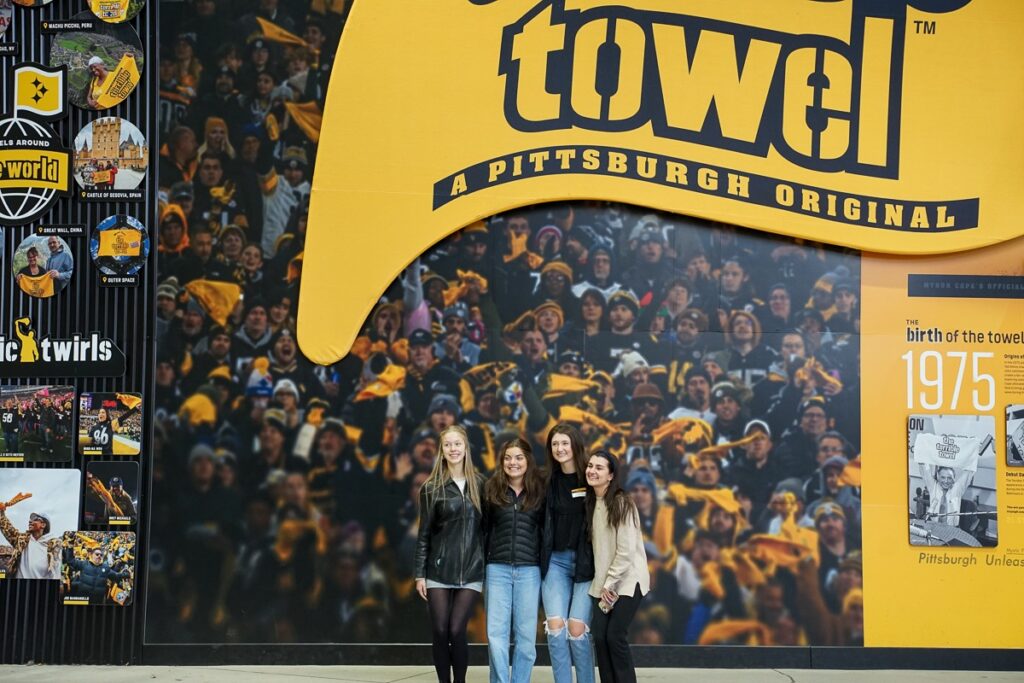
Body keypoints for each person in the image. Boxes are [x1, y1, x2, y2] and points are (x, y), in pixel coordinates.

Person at [414, 425, 485, 683]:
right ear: (442, 451)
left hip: (472, 569)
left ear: (466, 448)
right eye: (448, 445)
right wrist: (419, 574)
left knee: (457, 630)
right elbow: (424, 534)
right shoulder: (431, 488)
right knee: (440, 630)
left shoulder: (480, 484)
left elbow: (486, 530)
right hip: (438, 570)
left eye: (458, 444)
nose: (453, 449)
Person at [483, 437, 545, 683]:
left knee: (526, 638)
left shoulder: (539, 490)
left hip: (530, 570)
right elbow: (484, 528)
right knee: (496, 635)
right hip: (497, 569)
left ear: (528, 460)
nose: (513, 462)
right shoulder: (491, 488)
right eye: (508, 457)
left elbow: (544, 531)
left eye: (518, 457)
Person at [584, 450, 649, 683]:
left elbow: (626, 551)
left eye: (599, 468)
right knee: (600, 638)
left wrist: (609, 584)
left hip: (627, 582)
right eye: (590, 466)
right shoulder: (591, 502)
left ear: (611, 475)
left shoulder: (623, 502)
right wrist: (604, 585)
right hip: (603, 584)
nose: (592, 471)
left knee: (615, 637)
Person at [541, 424, 595, 683]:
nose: (560, 449)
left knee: (576, 629)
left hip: (587, 564)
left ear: (575, 445)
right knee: (555, 626)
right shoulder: (545, 481)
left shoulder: (592, 478)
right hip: (556, 562)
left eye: (565, 443)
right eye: (555, 444)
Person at [0, 504, 61, 580]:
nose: (30, 521)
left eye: (34, 519)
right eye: (30, 519)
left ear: (43, 525)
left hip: (40, 589)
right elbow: (8, 529)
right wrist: (1, 512)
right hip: (19, 588)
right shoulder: (22, 540)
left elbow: (57, 573)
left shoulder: (54, 546)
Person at [64, 545, 131, 602]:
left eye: (101, 555)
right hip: (82, 599)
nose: (99, 556)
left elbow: (116, 576)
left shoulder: (106, 568)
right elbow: (70, 561)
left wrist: (127, 575)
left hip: (97, 601)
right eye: (97, 554)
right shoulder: (84, 564)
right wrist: (70, 546)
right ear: (91, 555)